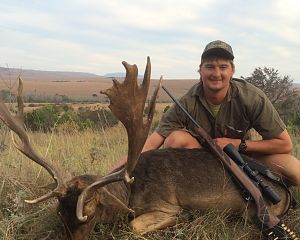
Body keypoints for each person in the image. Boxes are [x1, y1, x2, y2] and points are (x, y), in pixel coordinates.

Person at [114, 40, 300, 186]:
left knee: (295, 170)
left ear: (232, 70)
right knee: (175, 139)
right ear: (200, 70)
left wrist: (237, 144)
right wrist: (109, 175)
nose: (216, 73)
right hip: (203, 163)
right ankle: (186, 192)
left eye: (223, 67)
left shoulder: (251, 97)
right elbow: (150, 144)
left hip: (243, 157)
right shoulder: (186, 102)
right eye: (210, 66)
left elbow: (284, 144)